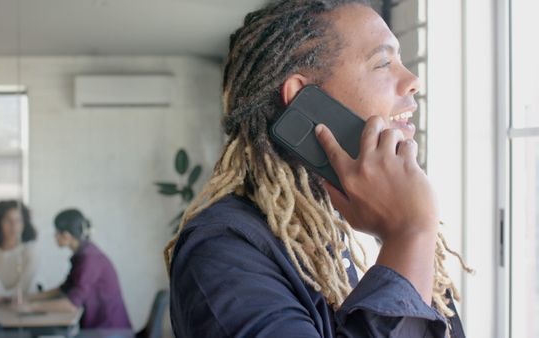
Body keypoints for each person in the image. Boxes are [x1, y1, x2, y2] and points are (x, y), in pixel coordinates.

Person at [165, 1, 472, 337]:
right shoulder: (223, 251)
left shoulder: (369, 221)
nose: (413, 81)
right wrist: (410, 234)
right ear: (301, 97)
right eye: (383, 62)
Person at [25, 209, 132, 330]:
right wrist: (28, 298)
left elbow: (71, 305)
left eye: (56, 232)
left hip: (108, 331)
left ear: (66, 235)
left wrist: (30, 307)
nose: (54, 236)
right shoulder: (83, 254)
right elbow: (63, 290)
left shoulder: (89, 260)